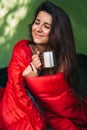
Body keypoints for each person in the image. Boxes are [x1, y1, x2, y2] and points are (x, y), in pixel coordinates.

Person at [0, 1, 87, 130]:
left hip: (49, 108)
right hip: (17, 105)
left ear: (57, 32)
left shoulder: (59, 57)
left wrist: (35, 79)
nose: (38, 29)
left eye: (46, 26)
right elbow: (16, 91)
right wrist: (29, 80)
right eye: (37, 22)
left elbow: (60, 98)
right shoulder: (22, 49)